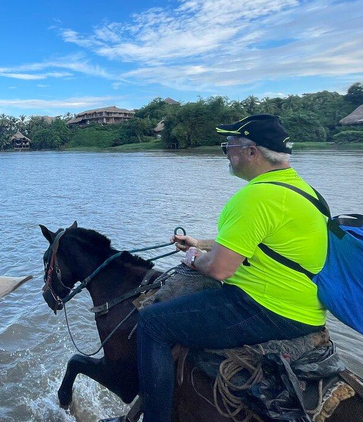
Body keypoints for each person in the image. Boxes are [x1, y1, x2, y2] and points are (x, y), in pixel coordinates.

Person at [134, 115, 328, 422]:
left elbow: (220, 270)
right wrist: (200, 242)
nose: (226, 152)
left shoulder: (255, 196)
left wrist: (194, 258)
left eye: (230, 146)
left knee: (151, 323)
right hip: (305, 307)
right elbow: (262, 242)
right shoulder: (304, 192)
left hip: (266, 308)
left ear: (252, 151)